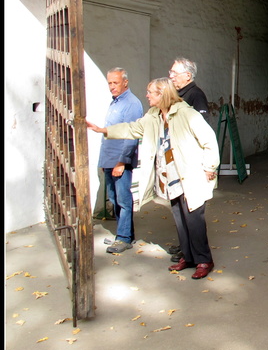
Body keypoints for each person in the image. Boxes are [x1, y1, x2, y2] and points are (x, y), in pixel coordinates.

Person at [87, 78, 220, 280]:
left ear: (163, 94)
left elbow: (209, 140)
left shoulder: (186, 114)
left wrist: (210, 167)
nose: (147, 95)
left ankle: (204, 260)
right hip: (171, 178)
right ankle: (189, 257)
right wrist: (104, 130)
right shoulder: (154, 116)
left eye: (151, 92)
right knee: (180, 219)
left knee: (194, 220)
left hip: (190, 175)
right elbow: (133, 128)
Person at [98, 67, 143, 254]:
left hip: (120, 161)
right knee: (114, 198)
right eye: (109, 83)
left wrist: (121, 162)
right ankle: (122, 234)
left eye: (115, 82)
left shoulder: (132, 104)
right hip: (110, 160)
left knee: (123, 199)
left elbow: (131, 136)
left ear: (125, 82)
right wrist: (105, 161)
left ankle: (124, 238)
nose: (112, 86)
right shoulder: (115, 102)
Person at [169, 57, 210, 123]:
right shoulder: (174, 93)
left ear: (188, 76)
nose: (171, 76)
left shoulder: (196, 95)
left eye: (175, 73)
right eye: (171, 72)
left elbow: (202, 122)